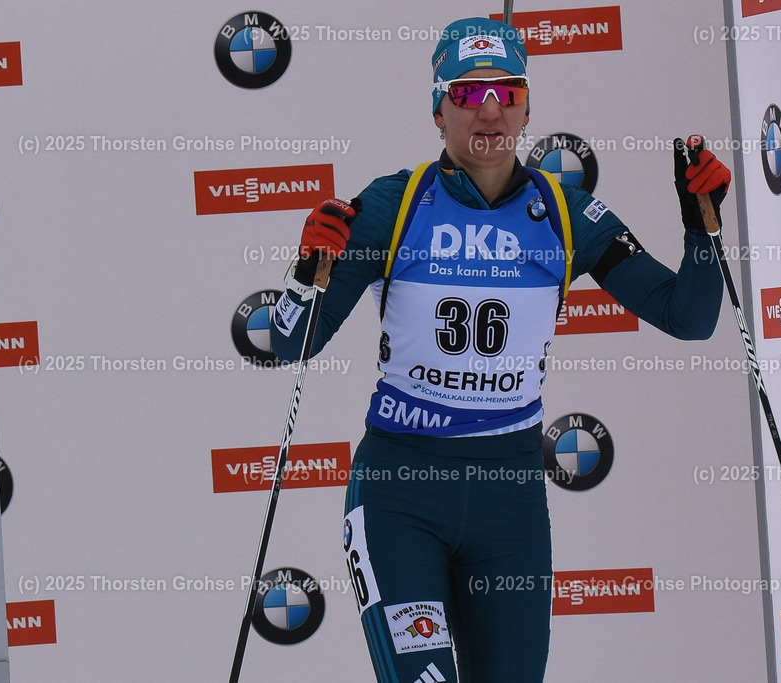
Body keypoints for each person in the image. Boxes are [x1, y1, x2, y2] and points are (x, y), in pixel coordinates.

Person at [269, 16, 730, 683]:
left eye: (507, 92)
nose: (489, 111)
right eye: (466, 93)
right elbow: (292, 342)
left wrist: (701, 227)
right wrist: (303, 273)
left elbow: (688, 317)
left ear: (528, 107)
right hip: (401, 492)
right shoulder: (393, 206)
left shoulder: (568, 214)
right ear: (438, 110)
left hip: (508, 501)